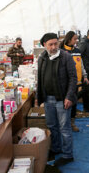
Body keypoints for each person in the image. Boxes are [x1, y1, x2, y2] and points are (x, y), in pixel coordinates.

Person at [35, 33, 77, 167]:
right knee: (52, 126)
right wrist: (38, 97)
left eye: (55, 43)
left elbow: (73, 78)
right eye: (50, 44)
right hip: (48, 98)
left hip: (62, 99)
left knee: (64, 128)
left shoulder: (66, 57)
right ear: (44, 45)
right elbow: (40, 78)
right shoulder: (42, 57)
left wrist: (69, 96)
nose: (54, 47)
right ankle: (56, 148)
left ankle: (67, 155)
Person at [60, 31, 89, 132]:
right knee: (65, 104)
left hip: (76, 82)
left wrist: (85, 76)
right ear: (69, 40)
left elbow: (81, 64)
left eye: (77, 39)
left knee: (74, 103)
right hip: (65, 84)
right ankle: (65, 123)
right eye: (75, 39)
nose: (76, 41)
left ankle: (72, 123)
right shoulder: (61, 51)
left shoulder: (77, 50)